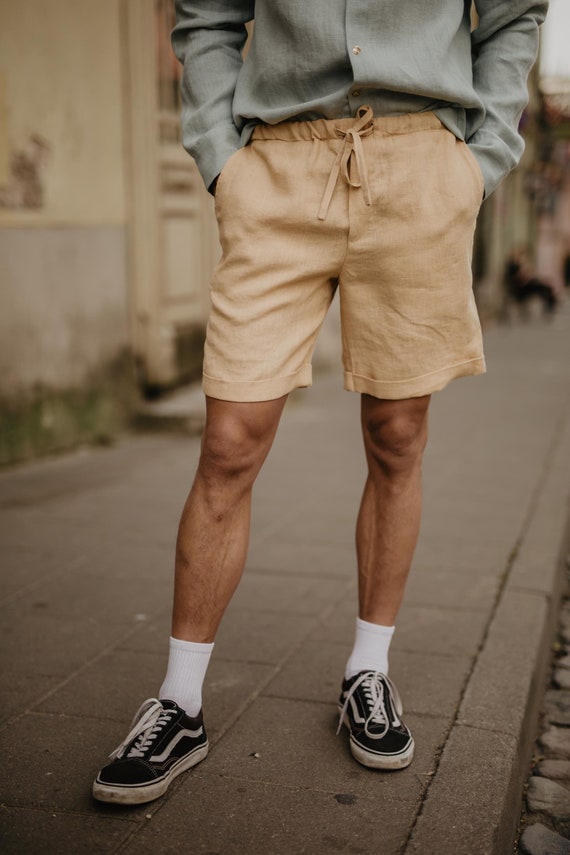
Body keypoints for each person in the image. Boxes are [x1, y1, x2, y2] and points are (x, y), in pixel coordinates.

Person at [92, 0, 548, 804]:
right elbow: (205, 16)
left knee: (397, 434)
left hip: (421, 169)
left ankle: (368, 670)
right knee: (230, 439)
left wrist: (477, 165)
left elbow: (514, 17)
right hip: (276, 168)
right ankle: (180, 700)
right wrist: (222, 158)